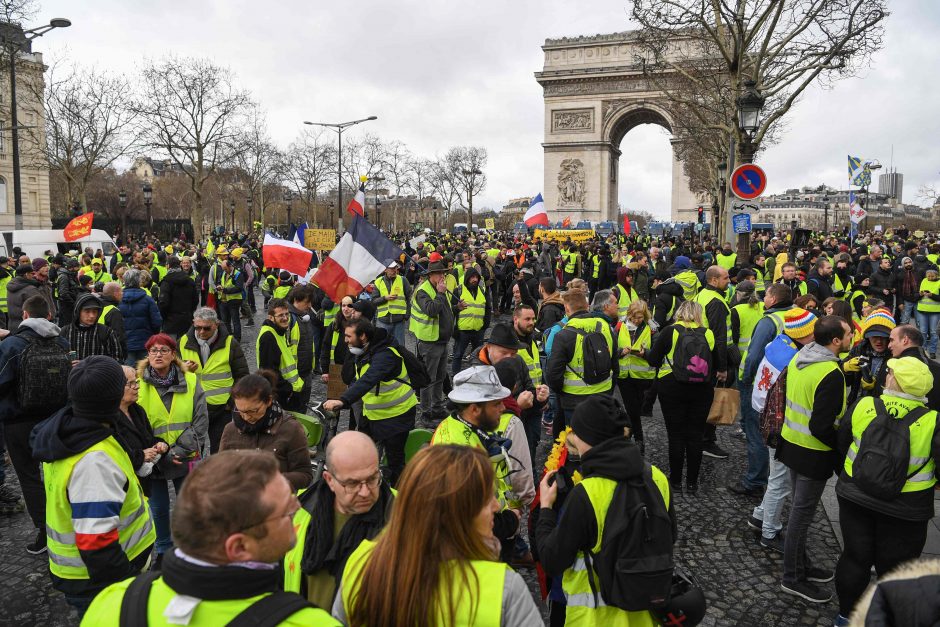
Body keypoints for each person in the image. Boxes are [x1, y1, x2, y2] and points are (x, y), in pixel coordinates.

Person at [82, 450, 339, 626]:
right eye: (286, 511)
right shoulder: (308, 622)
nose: (298, 508)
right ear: (238, 547)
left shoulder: (114, 602)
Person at [334, 444, 542, 626]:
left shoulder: (360, 562)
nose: (497, 506)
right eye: (487, 499)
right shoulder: (503, 588)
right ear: (457, 513)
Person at [536, 394, 679, 627]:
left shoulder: (587, 494)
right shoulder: (657, 478)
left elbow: (552, 560)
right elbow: (669, 535)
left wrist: (546, 508)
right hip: (646, 616)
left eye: (576, 433)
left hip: (593, 618)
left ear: (588, 439)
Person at [31, 356, 155, 617]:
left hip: (88, 575)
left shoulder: (70, 429)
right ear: (113, 398)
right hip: (101, 582)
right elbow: (96, 542)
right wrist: (130, 588)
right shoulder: (93, 460)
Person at [831, 356, 940, 626]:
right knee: (896, 571)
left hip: (855, 495)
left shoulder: (866, 405)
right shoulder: (934, 421)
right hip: (907, 509)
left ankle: (845, 616)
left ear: (896, 380)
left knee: (855, 557)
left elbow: (843, 441)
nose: (887, 374)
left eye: (891, 372)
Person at [777, 315, 853, 603]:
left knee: (798, 512)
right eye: (847, 335)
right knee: (800, 517)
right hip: (813, 453)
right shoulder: (831, 374)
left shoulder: (802, 356)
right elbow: (821, 426)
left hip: (792, 445)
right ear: (835, 341)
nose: (851, 339)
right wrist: (839, 453)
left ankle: (801, 566)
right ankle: (792, 578)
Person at [282, 431, 395, 610]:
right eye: (352, 483)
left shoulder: (403, 515)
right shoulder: (298, 509)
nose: (365, 492)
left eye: (373, 479)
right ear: (329, 480)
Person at [0, 295, 70, 554]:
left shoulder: (12, 345)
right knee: (60, 474)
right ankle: (70, 522)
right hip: (57, 418)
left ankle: (45, 532)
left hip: (19, 422)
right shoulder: (62, 342)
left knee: (30, 479)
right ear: (49, 316)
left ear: (25, 316)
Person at [747, 308, 817, 552]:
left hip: (764, 415)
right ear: (803, 335)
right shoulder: (793, 357)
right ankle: (769, 532)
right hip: (777, 424)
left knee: (777, 477)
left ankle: (759, 515)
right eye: (812, 332)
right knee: (780, 480)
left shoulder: (780, 343)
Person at [137, 333, 209, 569]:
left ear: (173, 355)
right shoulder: (137, 383)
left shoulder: (190, 380)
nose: (158, 354)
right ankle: (163, 548)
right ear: (147, 355)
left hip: (184, 454)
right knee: (157, 507)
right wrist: (154, 453)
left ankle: (191, 546)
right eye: (153, 350)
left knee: (188, 502)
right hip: (153, 458)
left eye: (163, 350)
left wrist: (176, 450)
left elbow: (199, 421)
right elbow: (132, 422)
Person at [432, 366, 523, 548]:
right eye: (496, 404)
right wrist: (508, 522)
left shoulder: (464, 425)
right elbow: (464, 519)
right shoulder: (460, 452)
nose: (503, 408)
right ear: (474, 409)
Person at [323, 317, 417, 485]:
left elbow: (368, 379)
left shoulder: (386, 355)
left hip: (397, 415)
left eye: (348, 336)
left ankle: (397, 497)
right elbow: (348, 376)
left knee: (395, 461)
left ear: (363, 336)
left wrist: (343, 401)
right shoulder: (363, 349)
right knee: (364, 454)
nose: (345, 340)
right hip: (373, 414)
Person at [647, 300, 716, 495]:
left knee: (675, 434)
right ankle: (693, 482)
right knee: (695, 435)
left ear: (680, 312)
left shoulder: (670, 331)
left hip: (672, 386)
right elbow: (718, 362)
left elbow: (653, 359)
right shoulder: (708, 334)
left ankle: (675, 481)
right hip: (701, 389)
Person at [220, 371, 312, 491]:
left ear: (268, 401)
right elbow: (221, 470)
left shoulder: (291, 429)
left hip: (277, 504)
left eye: (253, 411)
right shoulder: (230, 430)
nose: (246, 417)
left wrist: (272, 482)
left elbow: (305, 475)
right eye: (240, 411)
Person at [179, 307, 250, 453]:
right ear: (193, 323)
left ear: (216, 324)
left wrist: (232, 402)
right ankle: (197, 474)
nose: (201, 332)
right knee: (193, 450)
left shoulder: (231, 343)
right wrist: (182, 369)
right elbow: (171, 374)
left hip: (221, 408)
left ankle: (219, 474)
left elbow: (242, 376)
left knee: (221, 449)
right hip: (193, 407)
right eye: (197, 328)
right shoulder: (182, 342)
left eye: (206, 328)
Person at [545, 288, 617, 429]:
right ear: (587, 306)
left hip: (574, 401)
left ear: (567, 308)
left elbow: (553, 375)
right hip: (603, 395)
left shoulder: (563, 334)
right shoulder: (605, 327)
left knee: (577, 445)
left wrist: (563, 394)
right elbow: (615, 364)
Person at [409, 260, 455, 423]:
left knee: (440, 377)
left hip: (441, 340)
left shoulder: (438, 287)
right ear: (431, 275)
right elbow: (431, 310)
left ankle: (437, 407)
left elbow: (444, 310)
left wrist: (456, 308)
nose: (443, 276)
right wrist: (441, 294)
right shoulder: (423, 291)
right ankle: (426, 413)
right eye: (439, 273)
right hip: (430, 341)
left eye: (444, 273)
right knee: (428, 379)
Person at [695, 265, 732, 460]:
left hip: (703, 354)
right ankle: (706, 440)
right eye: (726, 278)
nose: (729, 281)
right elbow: (720, 338)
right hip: (713, 358)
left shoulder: (702, 295)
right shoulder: (716, 301)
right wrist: (722, 367)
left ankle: (703, 438)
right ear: (714, 280)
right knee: (712, 401)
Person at [113, 364, 167, 497]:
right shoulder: (109, 418)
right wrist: (141, 456)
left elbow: (148, 440)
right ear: (115, 387)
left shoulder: (137, 410)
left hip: (143, 485)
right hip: (122, 489)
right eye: (130, 384)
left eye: (136, 382)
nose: (136, 387)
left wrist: (160, 444)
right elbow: (113, 456)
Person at [615, 299, 655, 456]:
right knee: (632, 407)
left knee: (636, 409)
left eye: (640, 317)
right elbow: (611, 348)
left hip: (643, 377)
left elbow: (657, 354)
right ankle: (639, 439)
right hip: (624, 376)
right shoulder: (619, 327)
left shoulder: (652, 329)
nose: (637, 320)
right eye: (634, 317)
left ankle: (628, 433)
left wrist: (645, 353)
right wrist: (620, 352)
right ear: (629, 315)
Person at [257, 298, 305, 408]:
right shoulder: (268, 337)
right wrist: (288, 390)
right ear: (271, 317)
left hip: (287, 393)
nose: (285, 318)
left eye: (287, 314)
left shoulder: (279, 332)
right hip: (282, 397)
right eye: (280, 315)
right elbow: (269, 371)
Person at [888, 324, 940, 411]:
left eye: (891, 340)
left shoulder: (892, 367)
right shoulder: (937, 368)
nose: (889, 345)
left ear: (905, 340)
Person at [60, 293, 123, 361]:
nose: (92, 316)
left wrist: (93, 366)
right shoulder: (65, 332)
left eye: (94, 312)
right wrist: (68, 364)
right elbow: (57, 358)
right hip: (71, 371)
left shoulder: (106, 332)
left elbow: (117, 359)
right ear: (78, 312)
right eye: (87, 311)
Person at [452, 266, 490, 376]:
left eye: (476, 277)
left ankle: (475, 376)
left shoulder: (482, 291)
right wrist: (454, 329)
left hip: (478, 330)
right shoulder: (458, 290)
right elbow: (450, 310)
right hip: (462, 330)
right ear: (467, 278)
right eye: (472, 277)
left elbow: (488, 308)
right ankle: (455, 375)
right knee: (458, 354)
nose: (475, 280)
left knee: (478, 355)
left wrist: (485, 325)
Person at [120, 269, 163, 366]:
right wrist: (153, 335)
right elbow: (157, 321)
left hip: (126, 343)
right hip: (145, 341)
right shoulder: (148, 299)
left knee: (128, 373)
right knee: (145, 372)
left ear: (124, 281)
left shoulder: (118, 299)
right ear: (139, 281)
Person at [158, 256, 199, 339]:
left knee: (171, 348)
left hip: (170, 322)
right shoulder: (190, 280)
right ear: (180, 265)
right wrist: (189, 313)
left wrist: (164, 317)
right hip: (186, 320)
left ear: (168, 266)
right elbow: (195, 300)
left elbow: (163, 303)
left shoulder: (166, 282)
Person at [7, 262, 55, 332]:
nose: (34, 275)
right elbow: (41, 307)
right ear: (26, 274)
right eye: (32, 273)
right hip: (29, 327)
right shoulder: (30, 289)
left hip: (13, 325)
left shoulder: (12, 286)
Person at [371, 261, 411, 345]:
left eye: (396, 268)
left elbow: (409, 299)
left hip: (399, 321)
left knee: (400, 347)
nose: (395, 270)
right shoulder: (378, 282)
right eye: (392, 268)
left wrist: (406, 315)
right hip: (383, 321)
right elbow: (374, 301)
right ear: (385, 269)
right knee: (382, 347)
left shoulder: (403, 280)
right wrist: (385, 298)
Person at [215, 258, 245, 342]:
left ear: (230, 266)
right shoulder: (224, 272)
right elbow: (219, 281)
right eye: (223, 269)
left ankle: (237, 338)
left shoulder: (238, 274)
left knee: (235, 321)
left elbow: (239, 288)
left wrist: (225, 290)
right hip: (223, 300)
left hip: (234, 300)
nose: (224, 270)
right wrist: (218, 285)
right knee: (225, 321)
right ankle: (228, 337)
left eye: (225, 269)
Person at [916, 267, 940, 358]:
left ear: (937, 275)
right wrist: (920, 294)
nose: (929, 277)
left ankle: (932, 351)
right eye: (928, 275)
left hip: (935, 311)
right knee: (923, 331)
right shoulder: (924, 281)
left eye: (932, 276)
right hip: (922, 310)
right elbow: (918, 294)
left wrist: (932, 295)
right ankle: (923, 350)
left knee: (934, 332)